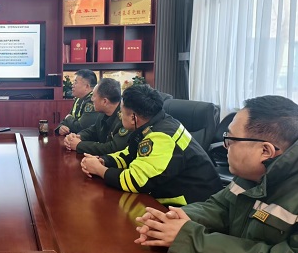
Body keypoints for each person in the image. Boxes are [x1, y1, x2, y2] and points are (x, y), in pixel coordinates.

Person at [134, 95, 298, 253]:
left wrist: (186, 238)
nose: (225, 146)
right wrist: (173, 219)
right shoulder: (254, 173)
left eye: (231, 140)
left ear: (265, 150)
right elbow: (220, 207)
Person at [81, 84, 221, 205]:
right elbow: (130, 153)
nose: (120, 116)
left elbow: (136, 181)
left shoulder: (161, 137)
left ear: (133, 118)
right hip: (170, 192)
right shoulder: (157, 122)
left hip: (191, 204)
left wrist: (99, 170)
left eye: (121, 112)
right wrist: (104, 160)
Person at [64, 78, 130, 155]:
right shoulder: (103, 114)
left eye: (94, 96)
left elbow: (113, 148)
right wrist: (76, 137)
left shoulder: (125, 117)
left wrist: (79, 145)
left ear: (104, 101)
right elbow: (93, 131)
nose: (92, 99)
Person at [55, 69, 99, 135]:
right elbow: (65, 120)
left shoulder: (93, 101)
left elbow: (81, 127)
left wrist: (69, 118)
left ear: (87, 86)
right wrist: (60, 127)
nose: (72, 85)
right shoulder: (78, 99)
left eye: (75, 82)